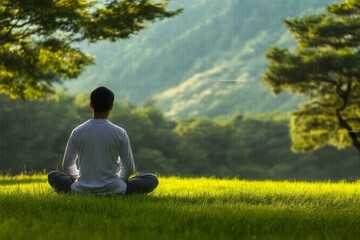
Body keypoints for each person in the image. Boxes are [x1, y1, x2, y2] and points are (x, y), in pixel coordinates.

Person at [48, 86, 158, 195]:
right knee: (151, 179)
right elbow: (129, 167)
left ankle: (77, 189)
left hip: (81, 189)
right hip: (114, 189)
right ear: (111, 106)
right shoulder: (120, 133)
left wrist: (79, 179)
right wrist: (119, 181)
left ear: (91, 105)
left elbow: (67, 165)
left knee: (53, 176)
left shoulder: (77, 131)